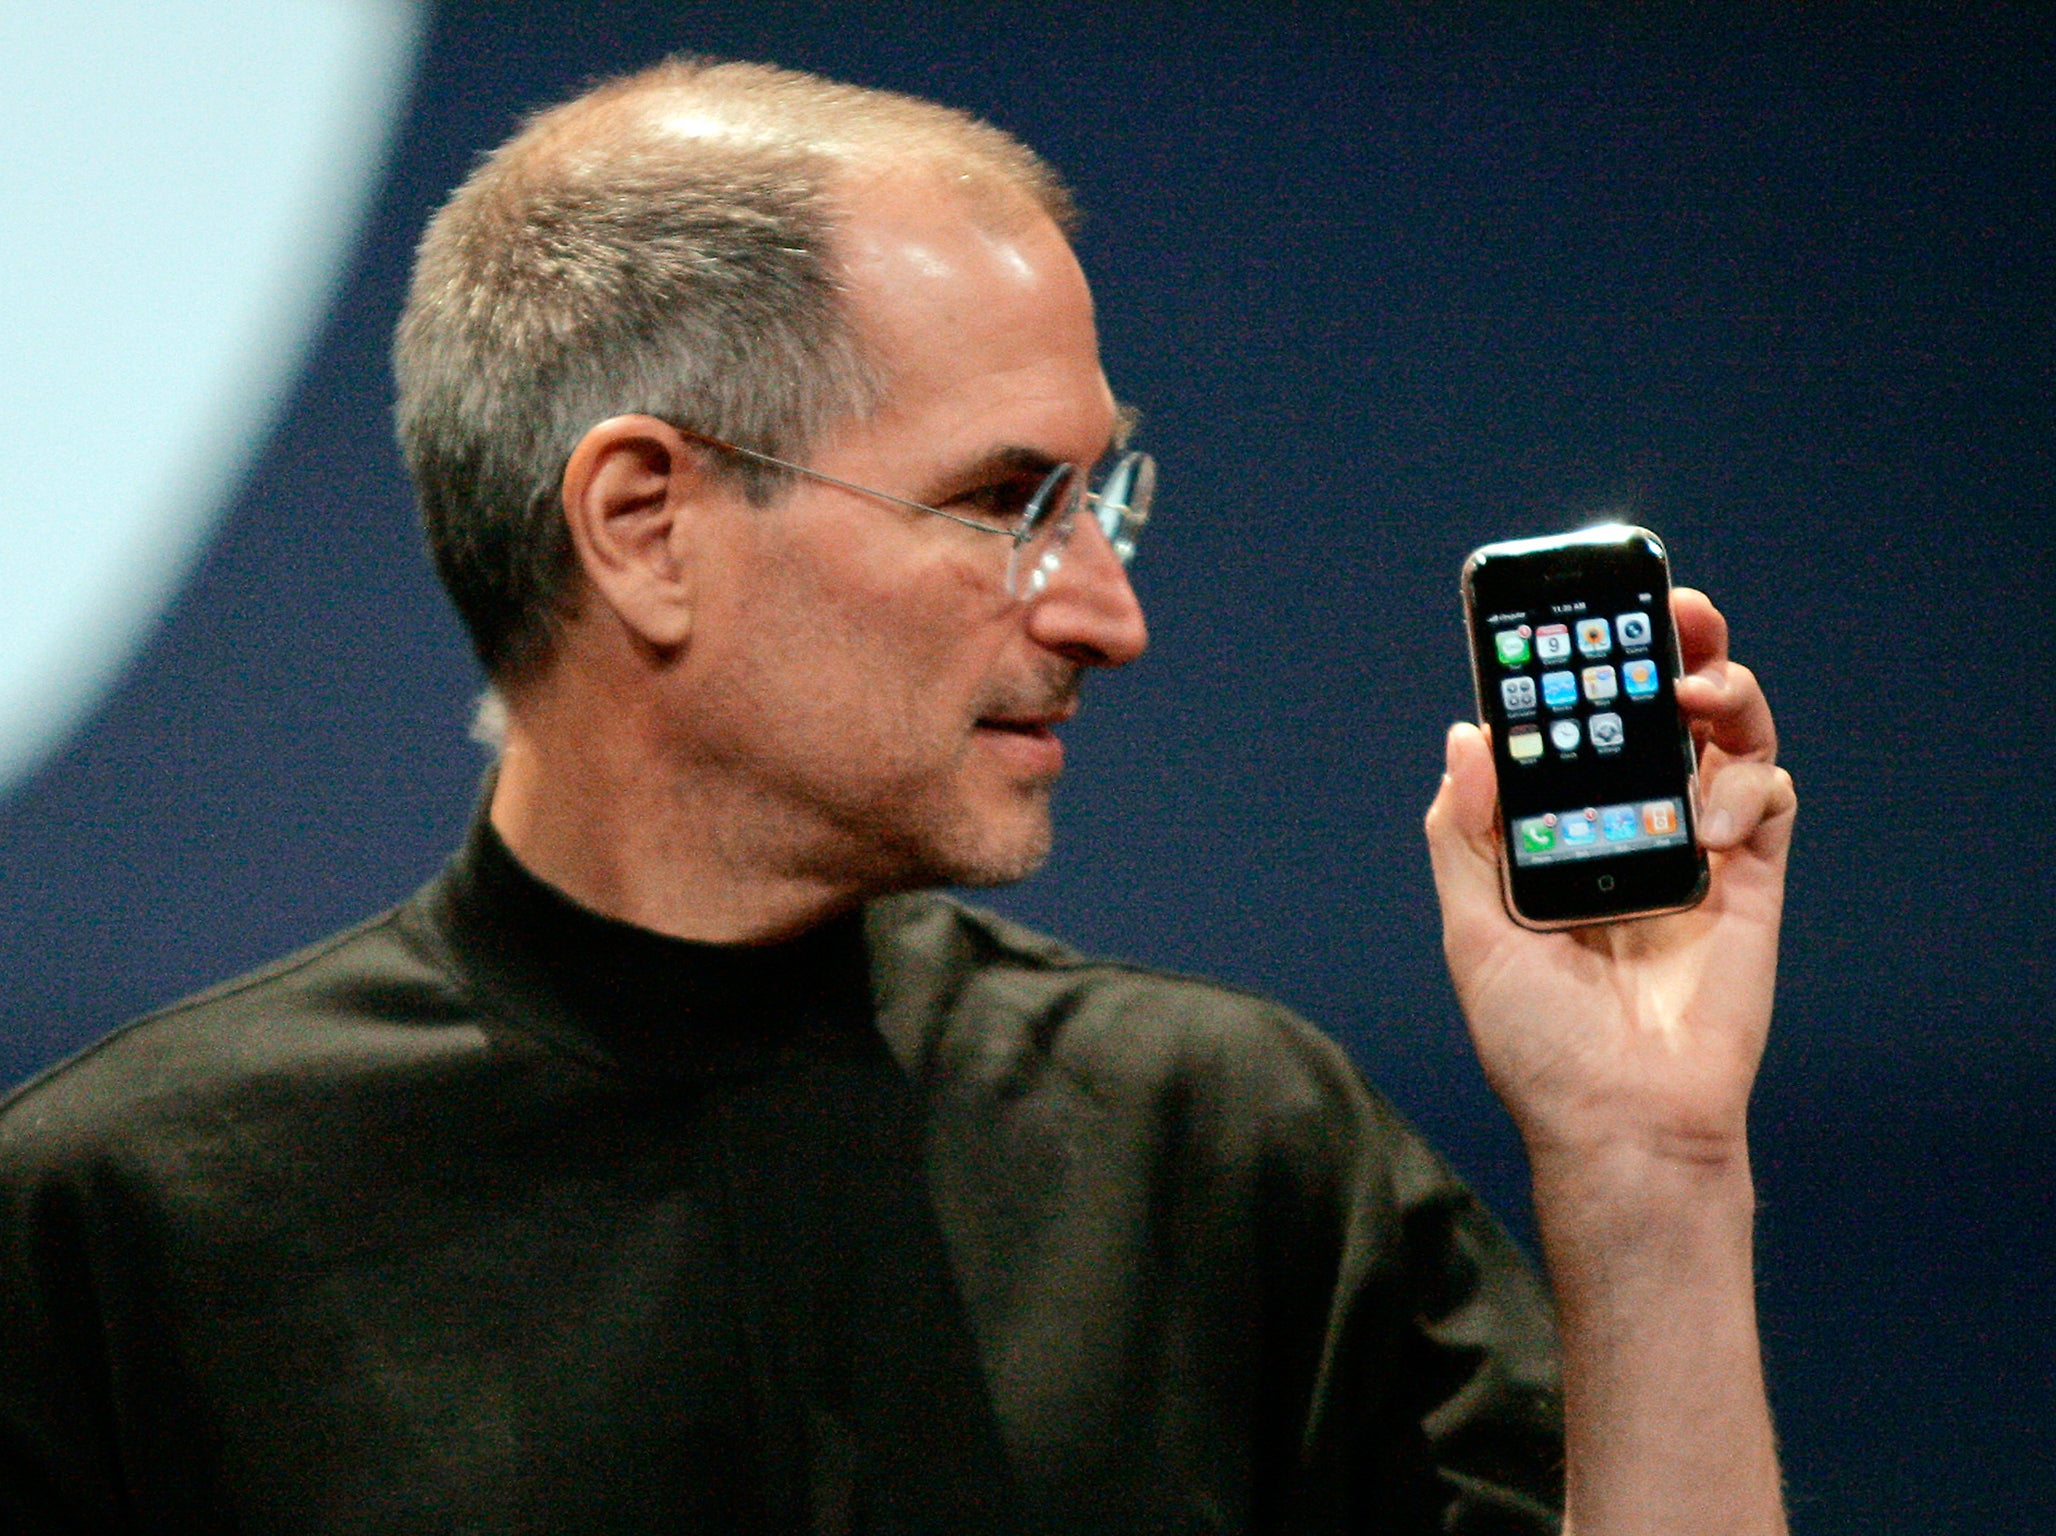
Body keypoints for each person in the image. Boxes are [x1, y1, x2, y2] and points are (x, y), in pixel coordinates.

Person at [0, 58, 1795, 1535]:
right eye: (1011, 502)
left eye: (1106, 499)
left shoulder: (1224, 1152)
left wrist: (1652, 1169)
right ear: (645, 526)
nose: (1110, 610)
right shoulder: (118, 1224)